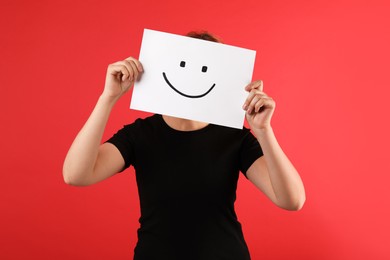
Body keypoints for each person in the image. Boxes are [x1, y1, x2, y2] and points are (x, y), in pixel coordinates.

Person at [63, 31, 306, 260]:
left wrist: (263, 131)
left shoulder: (236, 138)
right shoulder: (141, 134)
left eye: (205, 70)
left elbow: (292, 200)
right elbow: (76, 175)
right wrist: (108, 98)